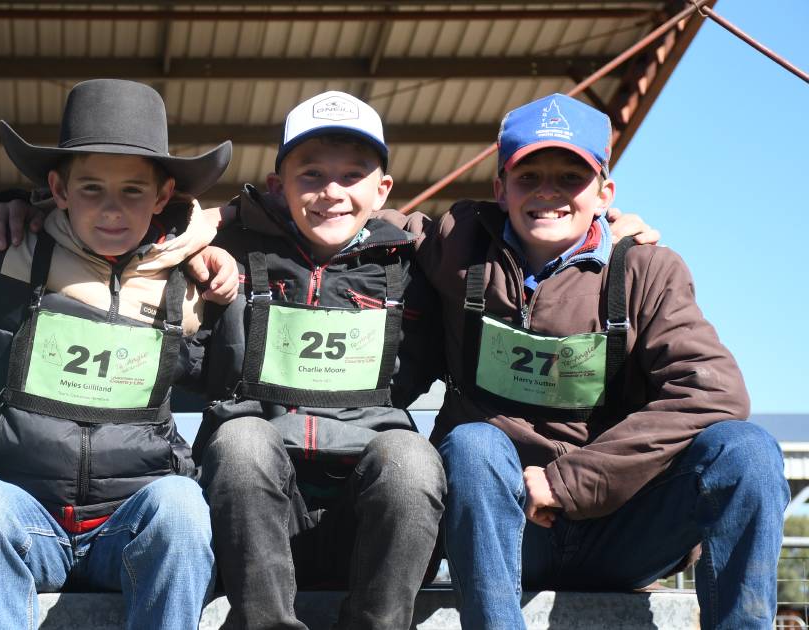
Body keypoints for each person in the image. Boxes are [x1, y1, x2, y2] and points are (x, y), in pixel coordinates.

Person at [410, 93, 787, 629]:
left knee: (748, 451)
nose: (548, 193)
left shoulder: (646, 270)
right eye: (528, 176)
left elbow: (715, 392)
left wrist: (567, 483)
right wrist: (244, 225)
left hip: (625, 528)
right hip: (509, 530)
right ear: (499, 189)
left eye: (570, 178)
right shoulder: (457, 245)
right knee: (472, 443)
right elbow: (343, 211)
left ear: (604, 191)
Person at [0, 79, 234, 630]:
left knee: (184, 505)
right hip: (25, 523)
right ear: (58, 188)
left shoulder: (196, 280)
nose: (112, 210)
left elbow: (294, 238)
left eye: (133, 192)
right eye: (91, 188)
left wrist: (219, 247)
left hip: (131, 528)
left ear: (164, 196)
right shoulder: (3, 251)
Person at [191, 91, 445, 629]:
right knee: (238, 440)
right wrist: (16, 206)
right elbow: (116, 221)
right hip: (252, 520)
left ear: (383, 191)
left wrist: (610, 224)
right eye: (310, 175)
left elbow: (498, 234)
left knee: (411, 456)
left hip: (367, 521)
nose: (332, 192)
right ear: (277, 186)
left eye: (353, 176)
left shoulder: (418, 264)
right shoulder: (227, 254)